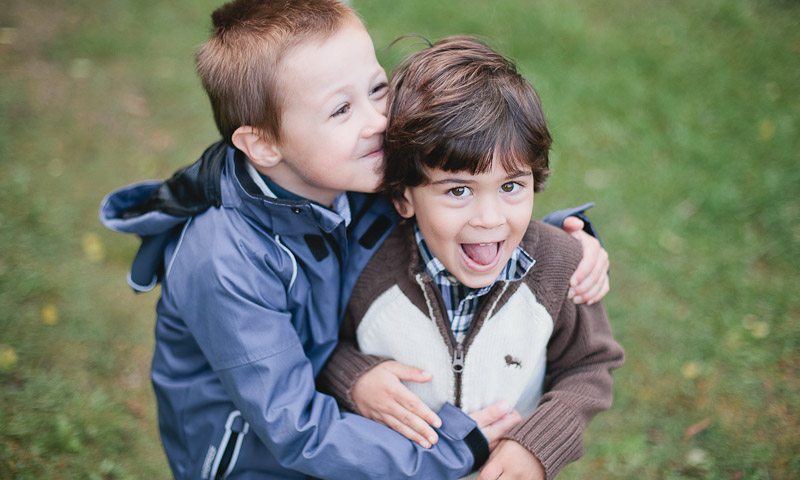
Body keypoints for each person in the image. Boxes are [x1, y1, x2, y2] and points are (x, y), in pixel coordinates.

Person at [99, 1, 610, 478]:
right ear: (263, 143)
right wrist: (452, 449)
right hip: (258, 459)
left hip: (353, 443)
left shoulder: (356, 176)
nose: (377, 123)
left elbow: (463, 201)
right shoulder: (222, 260)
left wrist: (566, 244)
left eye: (377, 89)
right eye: (340, 110)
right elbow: (295, 428)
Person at [317, 36, 624, 480]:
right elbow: (324, 347)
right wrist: (355, 379)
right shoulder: (369, 268)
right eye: (458, 190)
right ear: (404, 197)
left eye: (511, 186)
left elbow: (590, 365)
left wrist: (537, 447)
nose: (489, 218)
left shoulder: (559, 268)